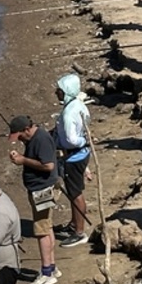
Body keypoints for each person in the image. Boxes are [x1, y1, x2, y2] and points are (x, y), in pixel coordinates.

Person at [8, 115, 61, 284]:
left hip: (43, 190)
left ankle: (46, 273)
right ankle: (52, 267)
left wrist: (23, 160)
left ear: (27, 129)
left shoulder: (42, 139)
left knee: (41, 231)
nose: (20, 140)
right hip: (39, 188)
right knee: (46, 227)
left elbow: (48, 166)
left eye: (20, 136)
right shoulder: (34, 139)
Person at [54, 73, 92, 248]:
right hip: (81, 154)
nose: (56, 93)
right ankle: (73, 224)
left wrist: (81, 141)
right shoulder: (78, 105)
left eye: (59, 90)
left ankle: (79, 232)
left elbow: (71, 139)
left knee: (75, 194)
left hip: (74, 156)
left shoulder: (69, 113)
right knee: (74, 191)